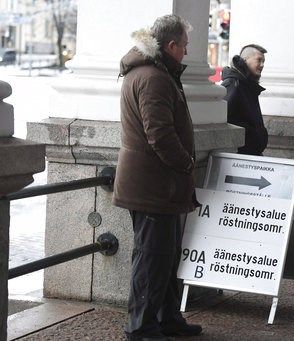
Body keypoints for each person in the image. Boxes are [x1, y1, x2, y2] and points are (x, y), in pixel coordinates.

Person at [113, 14, 202, 340]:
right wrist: (186, 163)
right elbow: (160, 135)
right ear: (171, 45)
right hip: (154, 184)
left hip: (156, 184)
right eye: (185, 45)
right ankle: (142, 327)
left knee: (163, 257)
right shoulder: (155, 78)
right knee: (152, 260)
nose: (187, 52)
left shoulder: (155, 73)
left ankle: (166, 319)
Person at [221, 44, 268, 155]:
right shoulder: (234, 84)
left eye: (264, 62)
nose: (262, 65)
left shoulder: (247, 84)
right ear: (245, 60)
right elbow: (224, 118)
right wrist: (251, 134)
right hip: (241, 156)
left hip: (249, 155)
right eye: (259, 60)